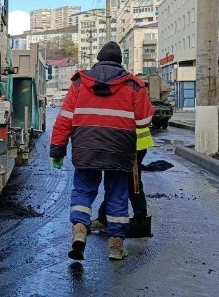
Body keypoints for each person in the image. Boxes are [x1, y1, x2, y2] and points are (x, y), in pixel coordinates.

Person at [50, 41, 154, 261]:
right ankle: (116, 245)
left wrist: (57, 149)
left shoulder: (80, 83)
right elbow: (145, 120)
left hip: (86, 147)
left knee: (83, 191)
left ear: (98, 60)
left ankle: (79, 229)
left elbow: (64, 119)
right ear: (120, 62)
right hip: (120, 149)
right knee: (117, 194)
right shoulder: (134, 85)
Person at [92, 126, 156, 238]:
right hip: (130, 141)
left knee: (126, 183)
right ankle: (139, 217)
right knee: (130, 183)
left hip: (130, 142)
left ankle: (138, 217)